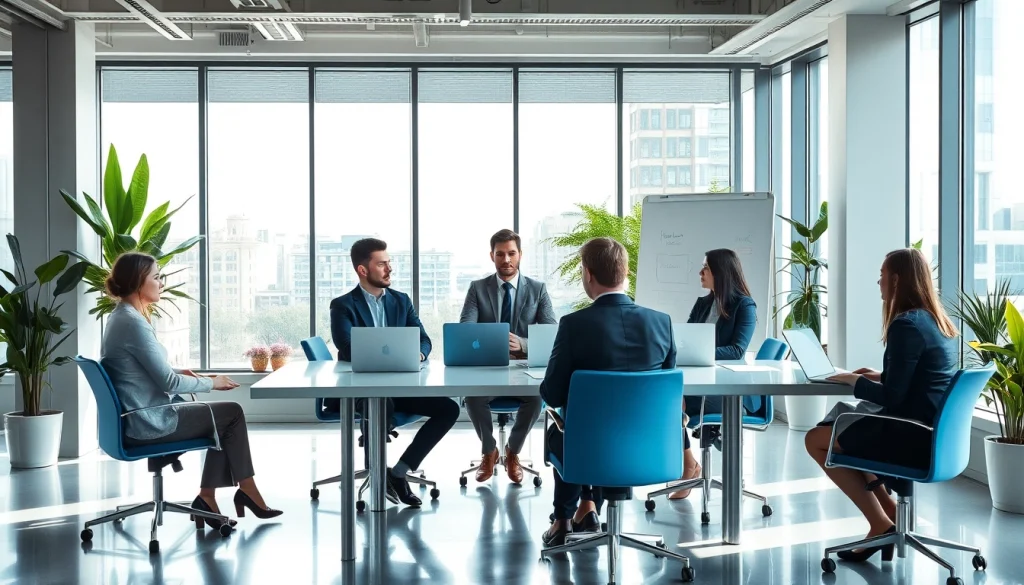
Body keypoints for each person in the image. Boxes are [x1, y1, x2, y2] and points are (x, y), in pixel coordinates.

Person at [100, 252, 282, 531]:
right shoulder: (133, 324)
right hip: (148, 421)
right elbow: (168, 386)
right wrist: (213, 383)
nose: (161, 284)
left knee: (219, 419)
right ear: (139, 282)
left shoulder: (121, 317)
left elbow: (140, 371)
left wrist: (177, 371)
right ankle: (243, 490)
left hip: (136, 415)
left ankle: (209, 497)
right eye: (156, 277)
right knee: (230, 414)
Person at [804, 248, 958, 563]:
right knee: (842, 433)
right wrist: (871, 374)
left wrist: (852, 381)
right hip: (933, 434)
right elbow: (916, 379)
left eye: (882, 275)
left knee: (817, 440)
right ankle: (889, 516)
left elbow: (891, 397)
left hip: (909, 435)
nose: (879, 282)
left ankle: (879, 523)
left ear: (897, 279)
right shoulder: (935, 322)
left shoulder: (905, 325)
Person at [538, 237, 676, 547]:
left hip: (591, 449)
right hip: (650, 448)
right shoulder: (661, 323)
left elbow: (553, 394)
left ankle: (563, 520)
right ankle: (587, 507)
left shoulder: (574, 325)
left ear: (587, 274)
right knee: (599, 423)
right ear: (626, 272)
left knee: (568, 425)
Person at [328, 237, 459, 508]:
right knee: (379, 403)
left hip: (400, 387)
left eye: (390, 263)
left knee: (449, 409)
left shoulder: (401, 301)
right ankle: (376, 472)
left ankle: (398, 472)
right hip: (361, 389)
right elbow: (347, 347)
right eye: (382, 264)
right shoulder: (343, 305)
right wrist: (391, 353)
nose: (389, 269)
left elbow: (424, 339)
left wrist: (419, 354)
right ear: (363, 270)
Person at [460, 229, 557, 484]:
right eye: (500, 254)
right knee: (473, 398)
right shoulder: (477, 288)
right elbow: (465, 330)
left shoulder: (537, 290)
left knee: (536, 399)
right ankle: (489, 450)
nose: (506, 259)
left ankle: (512, 452)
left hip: (522, 369)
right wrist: (490, 342)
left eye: (511, 253)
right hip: (489, 368)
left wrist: (522, 344)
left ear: (520, 255)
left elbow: (550, 335)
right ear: (492, 256)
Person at [670, 248, 756, 500]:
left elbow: (737, 350)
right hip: (698, 383)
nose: (700, 272)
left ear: (721, 272)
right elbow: (686, 340)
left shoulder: (744, 305)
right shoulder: (703, 303)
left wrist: (701, 352)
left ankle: (688, 467)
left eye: (705, 268)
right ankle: (689, 462)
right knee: (665, 399)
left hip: (725, 390)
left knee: (671, 402)